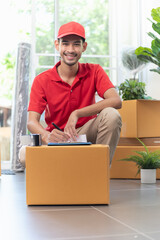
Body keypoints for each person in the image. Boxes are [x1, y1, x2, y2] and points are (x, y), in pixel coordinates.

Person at [20, 21, 122, 166]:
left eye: (76, 44)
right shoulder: (42, 80)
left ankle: (98, 170)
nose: (70, 49)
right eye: (65, 43)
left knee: (112, 115)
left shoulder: (94, 71)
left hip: (86, 134)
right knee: (24, 154)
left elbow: (116, 101)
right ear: (57, 45)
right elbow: (31, 121)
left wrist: (76, 114)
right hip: (58, 138)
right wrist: (47, 136)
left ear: (83, 47)